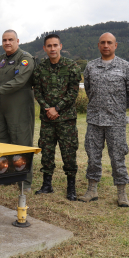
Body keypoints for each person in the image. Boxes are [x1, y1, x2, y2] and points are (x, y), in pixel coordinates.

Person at [80, 33, 129, 207]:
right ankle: (92, 190)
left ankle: (121, 193)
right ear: (98, 45)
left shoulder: (126, 67)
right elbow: (89, 90)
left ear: (115, 45)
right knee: (93, 156)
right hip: (95, 120)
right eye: (103, 43)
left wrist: (117, 108)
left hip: (116, 121)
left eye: (109, 43)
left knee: (118, 157)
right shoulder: (90, 67)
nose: (106, 45)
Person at [0, 29, 35, 191]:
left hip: (20, 109)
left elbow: (19, 81)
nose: (7, 43)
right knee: (3, 142)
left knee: (21, 143)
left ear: (17, 41)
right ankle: (7, 176)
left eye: (11, 40)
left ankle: (24, 181)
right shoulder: (0, 60)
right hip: (2, 109)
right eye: (4, 40)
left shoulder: (25, 59)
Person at [33, 33, 81, 199]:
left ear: (60, 46)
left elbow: (73, 92)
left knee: (69, 153)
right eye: (49, 46)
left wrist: (57, 109)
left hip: (66, 119)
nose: (52, 49)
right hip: (47, 119)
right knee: (46, 152)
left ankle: (71, 188)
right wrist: (47, 108)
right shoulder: (40, 68)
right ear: (44, 48)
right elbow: (37, 91)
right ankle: (47, 185)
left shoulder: (72, 66)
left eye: (55, 45)